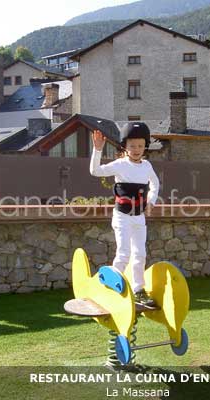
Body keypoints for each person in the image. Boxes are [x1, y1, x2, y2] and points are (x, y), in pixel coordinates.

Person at [89, 122, 159, 306]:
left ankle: (138, 290)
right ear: (125, 146)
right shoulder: (120, 165)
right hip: (122, 217)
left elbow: (155, 184)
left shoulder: (147, 166)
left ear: (145, 147)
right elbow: (95, 171)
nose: (136, 149)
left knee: (140, 254)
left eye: (140, 145)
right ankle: (110, 287)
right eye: (132, 145)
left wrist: (151, 201)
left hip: (139, 218)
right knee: (124, 253)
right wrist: (97, 150)